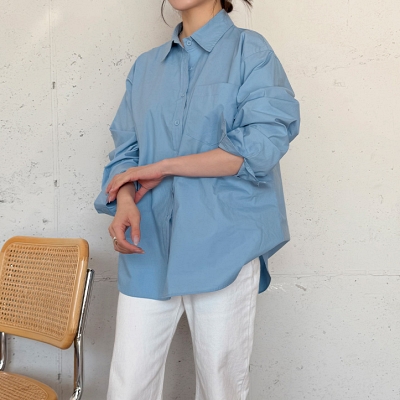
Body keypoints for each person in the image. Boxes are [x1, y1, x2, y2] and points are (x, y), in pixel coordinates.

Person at [94, 0, 300, 398]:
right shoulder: (146, 67)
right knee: (127, 386)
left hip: (224, 245)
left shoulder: (250, 51)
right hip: (148, 244)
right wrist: (125, 201)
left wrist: (164, 166)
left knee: (219, 387)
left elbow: (260, 145)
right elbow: (126, 151)